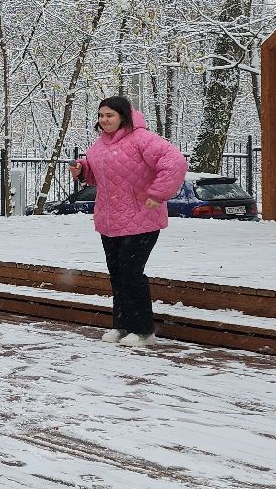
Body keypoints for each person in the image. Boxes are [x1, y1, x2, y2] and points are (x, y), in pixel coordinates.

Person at [71, 96, 188, 347]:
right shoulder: (99, 146)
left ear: (123, 116)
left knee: (131, 272)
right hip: (110, 220)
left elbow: (175, 163)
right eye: (101, 115)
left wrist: (158, 194)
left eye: (109, 115)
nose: (104, 120)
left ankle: (143, 330)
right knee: (117, 274)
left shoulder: (143, 139)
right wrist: (83, 170)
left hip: (142, 218)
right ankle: (122, 325)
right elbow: (99, 176)